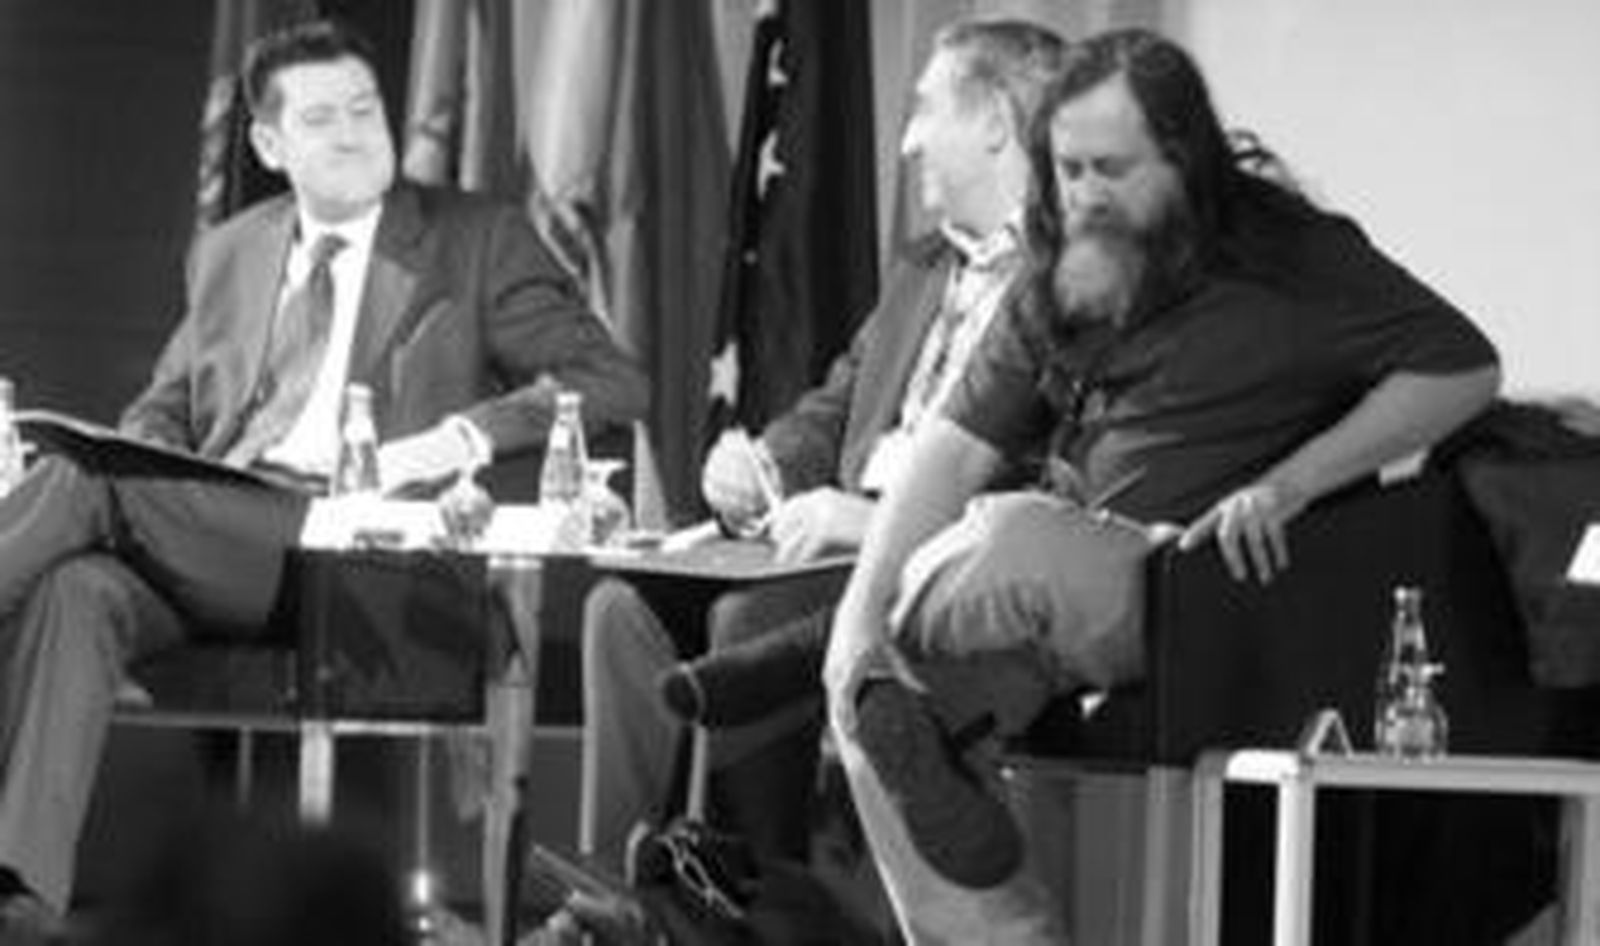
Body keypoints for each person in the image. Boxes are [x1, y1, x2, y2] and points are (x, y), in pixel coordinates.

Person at [825, 28, 1502, 945]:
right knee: (875, 691)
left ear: (1183, 159)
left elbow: (1463, 368)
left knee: (1004, 540)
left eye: (1111, 169)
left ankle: (857, 662)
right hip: (1065, 597)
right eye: (1067, 170)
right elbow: (948, 452)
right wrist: (852, 631)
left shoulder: (1296, 258)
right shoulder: (1057, 267)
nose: (1084, 195)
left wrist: (1291, 484)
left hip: (1206, 587)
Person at [0, 19, 646, 934]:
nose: (351, 134)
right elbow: (162, 413)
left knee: (82, 481)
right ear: (269, 145)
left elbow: (611, 381)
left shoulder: (475, 239)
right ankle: (19, 902)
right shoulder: (231, 251)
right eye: (320, 118)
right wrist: (149, 463)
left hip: (366, 561)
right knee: (75, 588)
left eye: (364, 109)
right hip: (217, 541)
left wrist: (458, 438)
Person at [578, 19, 1066, 872]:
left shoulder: (1070, 282)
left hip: (935, 566)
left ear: (994, 123)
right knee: (620, 611)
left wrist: (872, 521)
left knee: (749, 622)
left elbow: (1052, 482)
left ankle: (757, 899)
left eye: (927, 111)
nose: (907, 141)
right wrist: (765, 461)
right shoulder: (922, 269)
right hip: (819, 545)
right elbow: (839, 407)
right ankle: (619, 891)